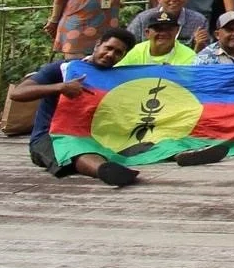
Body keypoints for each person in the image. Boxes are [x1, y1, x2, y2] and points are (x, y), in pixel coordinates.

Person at [14, 27, 140, 187]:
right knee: (72, 150)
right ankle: (105, 171)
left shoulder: (118, 78)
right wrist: (60, 87)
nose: (110, 55)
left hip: (94, 136)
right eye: (108, 48)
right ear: (97, 45)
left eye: (118, 53)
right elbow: (18, 93)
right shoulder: (64, 68)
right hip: (50, 136)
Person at [129, 0, 210, 50]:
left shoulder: (199, 21)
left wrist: (199, 46)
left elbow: (204, 54)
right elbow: (128, 45)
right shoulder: (143, 19)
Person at [119, 10, 197, 66]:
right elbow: (118, 74)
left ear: (177, 31)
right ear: (147, 33)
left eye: (168, 29)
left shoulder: (189, 56)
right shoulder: (136, 51)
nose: (163, 33)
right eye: (158, 29)